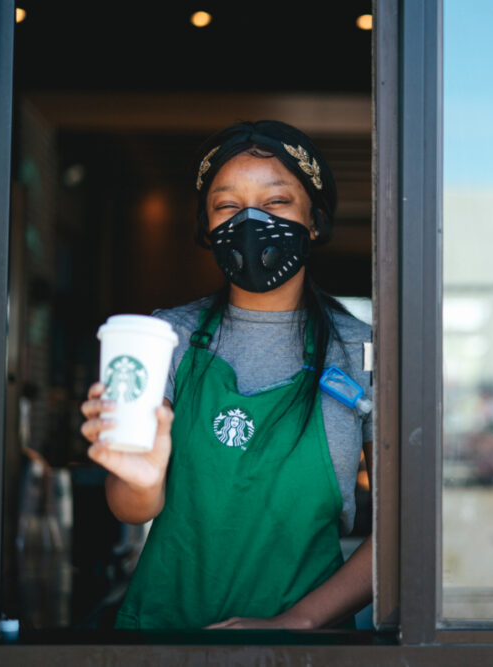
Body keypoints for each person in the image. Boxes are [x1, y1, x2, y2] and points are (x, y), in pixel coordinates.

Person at [80, 120, 373, 630]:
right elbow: (129, 508)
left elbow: (404, 527)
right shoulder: (163, 338)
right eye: (227, 206)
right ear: (207, 229)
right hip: (164, 638)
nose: (251, 220)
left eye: (277, 202)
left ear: (316, 220)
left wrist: (298, 622)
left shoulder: (361, 351)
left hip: (308, 651)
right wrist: (139, 477)